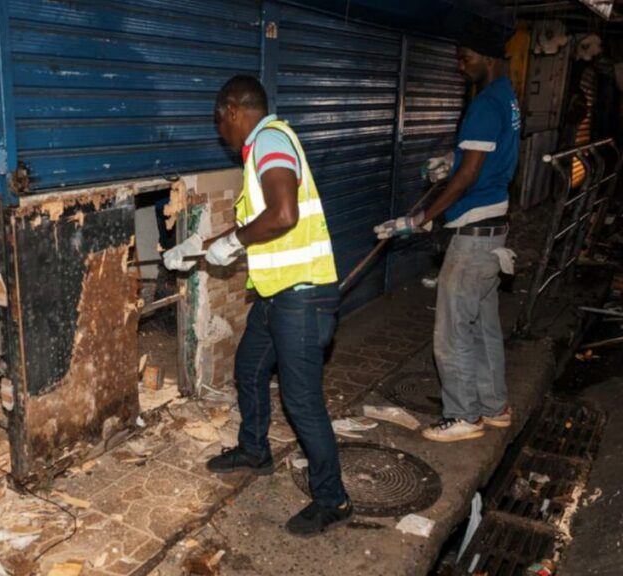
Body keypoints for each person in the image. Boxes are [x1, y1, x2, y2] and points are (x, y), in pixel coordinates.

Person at [163, 75, 351, 536]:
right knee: (249, 367)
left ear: (232, 110)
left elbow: (283, 214)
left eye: (218, 122)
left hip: (302, 295)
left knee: (301, 401)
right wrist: (196, 247)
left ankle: (333, 498)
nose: (220, 134)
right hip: (278, 294)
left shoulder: (269, 139)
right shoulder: (263, 147)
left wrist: (234, 243)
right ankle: (254, 449)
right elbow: (261, 222)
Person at [374, 22, 520, 443]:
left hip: (472, 237)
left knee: (453, 333)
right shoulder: (505, 96)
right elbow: (482, 158)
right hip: (493, 231)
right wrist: (449, 162)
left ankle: (463, 417)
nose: (460, 66)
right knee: (484, 330)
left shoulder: (484, 104)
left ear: (487, 58)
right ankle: (494, 407)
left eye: (465, 58)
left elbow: (469, 176)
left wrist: (420, 218)